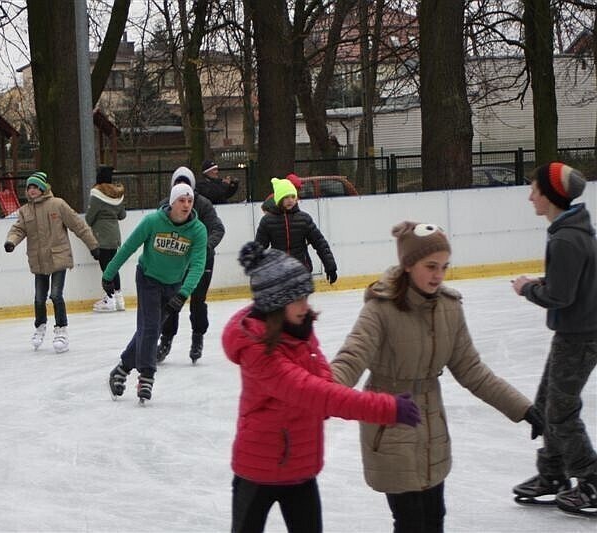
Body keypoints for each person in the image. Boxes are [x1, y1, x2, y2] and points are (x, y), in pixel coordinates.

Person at [330, 221, 542, 533]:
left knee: (434, 518)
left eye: (444, 266)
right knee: (411, 522)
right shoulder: (380, 309)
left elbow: (473, 371)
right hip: (391, 426)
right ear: (408, 264)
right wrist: (318, 395)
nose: (438, 275)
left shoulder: (448, 308)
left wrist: (523, 408)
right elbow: (351, 359)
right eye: (431, 266)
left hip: (432, 429)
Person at [223, 241, 420, 533]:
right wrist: (387, 407)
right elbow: (316, 392)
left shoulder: (300, 330)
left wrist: (330, 400)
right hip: (258, 472)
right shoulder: (259, 353)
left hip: (301, 469)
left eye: (306, 297)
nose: (306, 306)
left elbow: (323, 380)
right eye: (298, 299)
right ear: (276, 304)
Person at [510, 162, 597, 517]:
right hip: (576, 332)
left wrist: (528, 288)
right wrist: (543, 282)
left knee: (560, 411)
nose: (530, 196)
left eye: (535, 189)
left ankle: (590, 480)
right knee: (548, 402)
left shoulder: (566, 238)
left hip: (580, 336)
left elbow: (559, 296)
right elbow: (567, 284)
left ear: (551, 196)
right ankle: (553, 474)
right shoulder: (571, 231)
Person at [104, 183, 207, 403]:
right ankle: (147, 377)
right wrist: (109, 273)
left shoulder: (198, 230)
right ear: (172, 202)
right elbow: (128, 247)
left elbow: (198, 264)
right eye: (181, 200)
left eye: (189, 201)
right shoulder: (153, 222)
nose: (186, 205)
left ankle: (121, 369)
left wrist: (183, 293)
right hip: (148, 279)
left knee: (151, 328)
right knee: (151, 327)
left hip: (173, 284)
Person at [4, 171, 100, 353]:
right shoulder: (25, 211)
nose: (32, 191)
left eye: (35, 187)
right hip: (38, 260)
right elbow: (18, 229)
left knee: (56, 295)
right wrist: (11, 242)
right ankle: (40, 327)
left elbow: (77, 225)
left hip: (58, 258)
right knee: (39, 298)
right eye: (29, 187)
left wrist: (93, 246)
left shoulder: (58, 204)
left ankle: (61, 330)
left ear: (42, 188)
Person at [156, 166, 225, 363]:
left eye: (186, 184)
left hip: (201, 261)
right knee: (172, 301)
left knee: (198, 301)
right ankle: (166, 341)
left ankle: (197, 339)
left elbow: (218, 228)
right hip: (176, 262)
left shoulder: (203, 204)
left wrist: (203, 248)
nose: (182, 189)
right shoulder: (164, 206)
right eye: (178, 184)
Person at [255, 177, 338, 285]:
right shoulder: (267, 221)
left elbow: (320, 243)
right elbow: (258, 247)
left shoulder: (304, 219)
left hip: (301, 271)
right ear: (279, 199)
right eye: (286, 197)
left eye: (293, 196)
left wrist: (330, 266)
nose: (290, 200)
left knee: (298, 301)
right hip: (279, 274)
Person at [85, 166, 126, 313]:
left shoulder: (96, 195)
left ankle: (110, 298)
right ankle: (119, 298)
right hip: (114, 236)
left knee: (106, 268)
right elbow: (122, 215)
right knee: (113, 266)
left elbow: (89, 218)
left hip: (101, 237)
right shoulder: (117, 195)